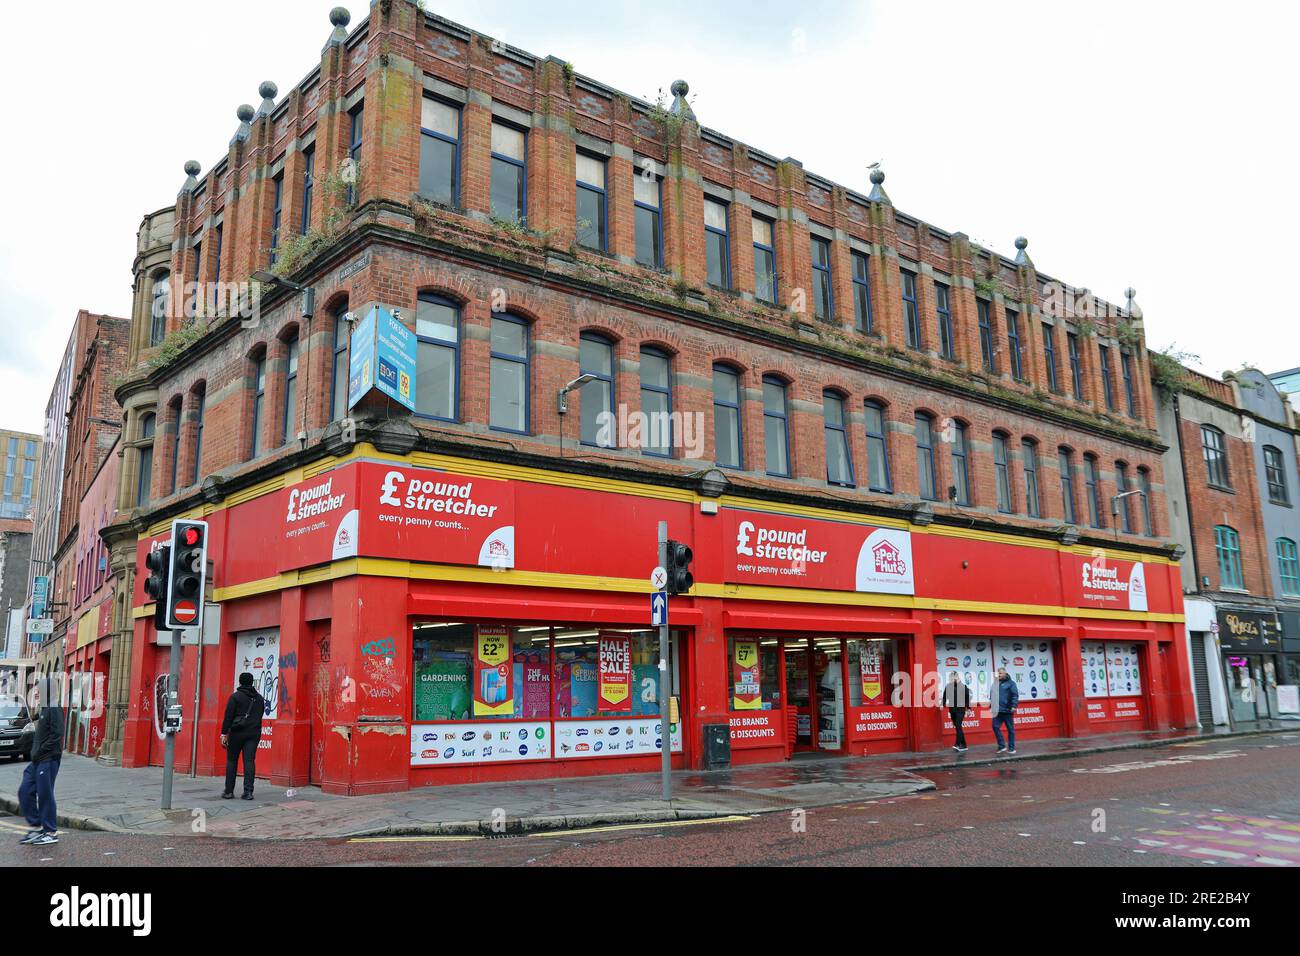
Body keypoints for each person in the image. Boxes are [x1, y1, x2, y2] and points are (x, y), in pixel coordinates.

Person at [18, 676, 65, 846]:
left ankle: (50, 832)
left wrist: (41, 750)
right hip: (37, 760)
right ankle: (39, 825)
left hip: (48, 759)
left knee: (45, 795)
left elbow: (58, 734)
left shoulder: (54, 708)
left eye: (39, 690)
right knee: (25, 790)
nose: (36, 693)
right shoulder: (45, 708)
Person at [221, 673, 266, 800]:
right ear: (252, 682)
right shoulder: (259, 698)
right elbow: (260, 715)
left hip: (237, 733)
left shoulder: (235, 697)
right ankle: (248, 792)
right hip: (253, 734)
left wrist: (224, 733)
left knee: (232, 760)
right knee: (249, 761)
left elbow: (228, 716)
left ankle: (229, 791)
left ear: (240, 682)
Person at [991, 666, 1019, 755]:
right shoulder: (995, 683)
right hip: (997, 711)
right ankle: (1002, 746)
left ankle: (1011, 748)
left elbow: (1015, 695)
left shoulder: (1011, 683)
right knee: (995, 727)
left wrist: (1014, 706)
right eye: (997, 673)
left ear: (1005, 674)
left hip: (1007, 710)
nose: (998, 675)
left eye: (1000, 673)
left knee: (1010, 730)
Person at [942, 671, 972, 752]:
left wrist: (969, 708)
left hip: (960, 710)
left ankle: (957, 744)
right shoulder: (948, 686)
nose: (952, 679)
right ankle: (964, 745)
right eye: (951, 678)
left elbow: (967, 698)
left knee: (958, 725)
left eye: (954, 678)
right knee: (958, 727)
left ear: (957, 678)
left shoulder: (963, 686)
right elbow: (944, 696)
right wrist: (943, 704)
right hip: (952, 710)